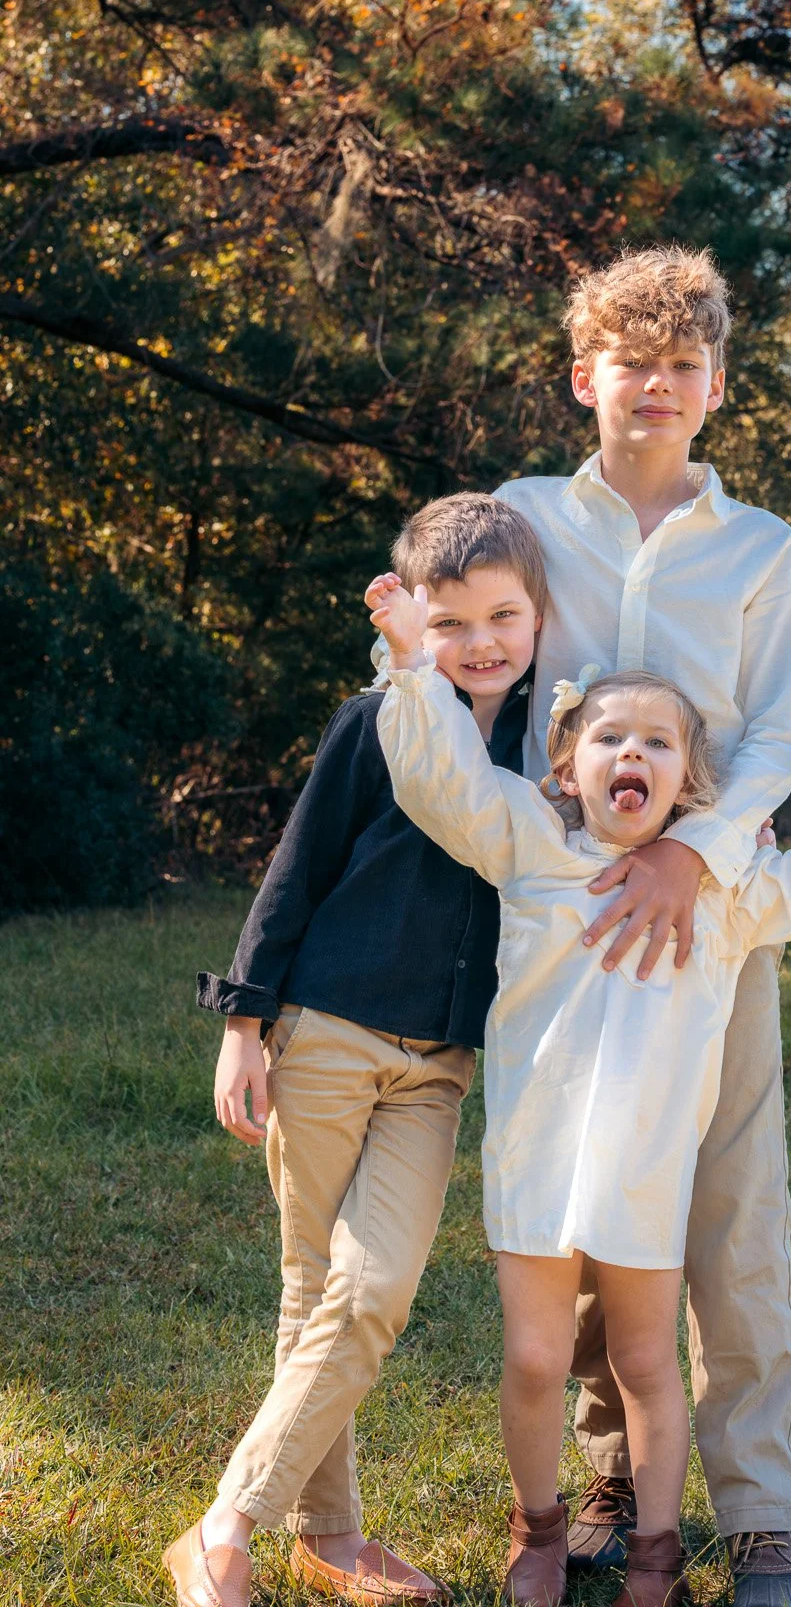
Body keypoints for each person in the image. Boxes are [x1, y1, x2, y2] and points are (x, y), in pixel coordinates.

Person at [366, 571, 791, 1607]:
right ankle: (537, 1525)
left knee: (645, 1361)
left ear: (688, 782)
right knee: (537, 1356)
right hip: (534, 1163)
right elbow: (441, 777)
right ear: (567, 766)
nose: (633, 752)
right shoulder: (529, 848)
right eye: (609, 736)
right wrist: (410, 661)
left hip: (647, 1172)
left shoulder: (720, 894)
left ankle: (658, 1548)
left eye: (659, 742)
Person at [492, 245, 791, 1603]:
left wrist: (691, 851)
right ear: (588, 377)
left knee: (733, 1214)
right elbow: (466, 664)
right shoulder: (519, 515)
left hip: (714, 911)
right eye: (634, 363)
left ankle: (759, 1519)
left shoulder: (760, 549)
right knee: (574, 1196)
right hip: (562, 921)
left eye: (685, 366)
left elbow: (781, 733)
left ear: (716, 387)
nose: (659, 387)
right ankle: (613, 1484)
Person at [163, 496, 545, 1607]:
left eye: (503, 616)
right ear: (413, 625)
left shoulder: (543, 746)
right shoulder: (371, 719)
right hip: (324, 1028)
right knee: (310, 1286)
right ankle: (326, 1534)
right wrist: (245, 1022)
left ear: (538, 615)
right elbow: (295, 868)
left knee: (372, 1283)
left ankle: (227, 1520)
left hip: (437, 1063)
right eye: (453, 621)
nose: (480, 641)